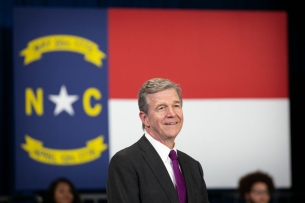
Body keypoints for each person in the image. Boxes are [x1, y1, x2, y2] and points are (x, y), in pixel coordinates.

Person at [106, 78, 209, 203]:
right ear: (145, 119)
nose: (171, 113)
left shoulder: (193, 166)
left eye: (176, 105)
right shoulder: (125, 162)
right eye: (161, 108)